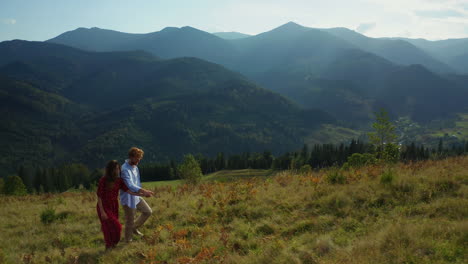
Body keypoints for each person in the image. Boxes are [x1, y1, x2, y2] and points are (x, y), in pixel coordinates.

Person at [96, 160, 147, 250]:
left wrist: (141, 194)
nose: (117, 170)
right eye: (115, 169)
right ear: (110, 170)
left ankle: (113, 244)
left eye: (118, 168)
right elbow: (99, 197)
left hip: (114, 206)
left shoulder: (119, 180)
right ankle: (108, 245)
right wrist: (102, 212)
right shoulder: (103, 180)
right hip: (104, 206)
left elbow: (129, 191)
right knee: (115, 226)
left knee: (113, 227)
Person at [120, 147, 154, 242]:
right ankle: (128, 241)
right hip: (127, 198)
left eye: (140, 157)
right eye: (137, 157)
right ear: (131, 157)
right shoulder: (124, 169)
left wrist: (142, 192)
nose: (139, 159)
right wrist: (144, 191)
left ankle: (133, 228)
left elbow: (137, 183)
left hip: (137, 196)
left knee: (147, 212)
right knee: (129, 220)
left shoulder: (136, 167)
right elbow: (130, 185)